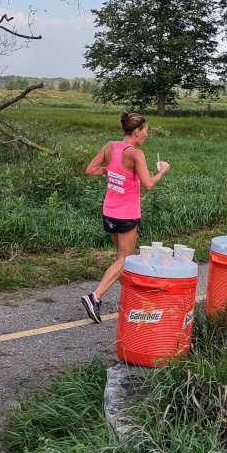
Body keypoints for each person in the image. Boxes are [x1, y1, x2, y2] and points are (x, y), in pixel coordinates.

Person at [81, 112, 170, 322]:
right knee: (125, 258)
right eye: (145, 131)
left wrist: (110, 171)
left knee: (121, 258)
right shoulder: (135, 154)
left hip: (109, 211)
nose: (146, 135)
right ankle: (95, 297)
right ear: (137, 131)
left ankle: (133, 297)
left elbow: (90, 170)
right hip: (127, 214)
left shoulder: (110, 146)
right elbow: (148, 184)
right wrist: (163, 171)